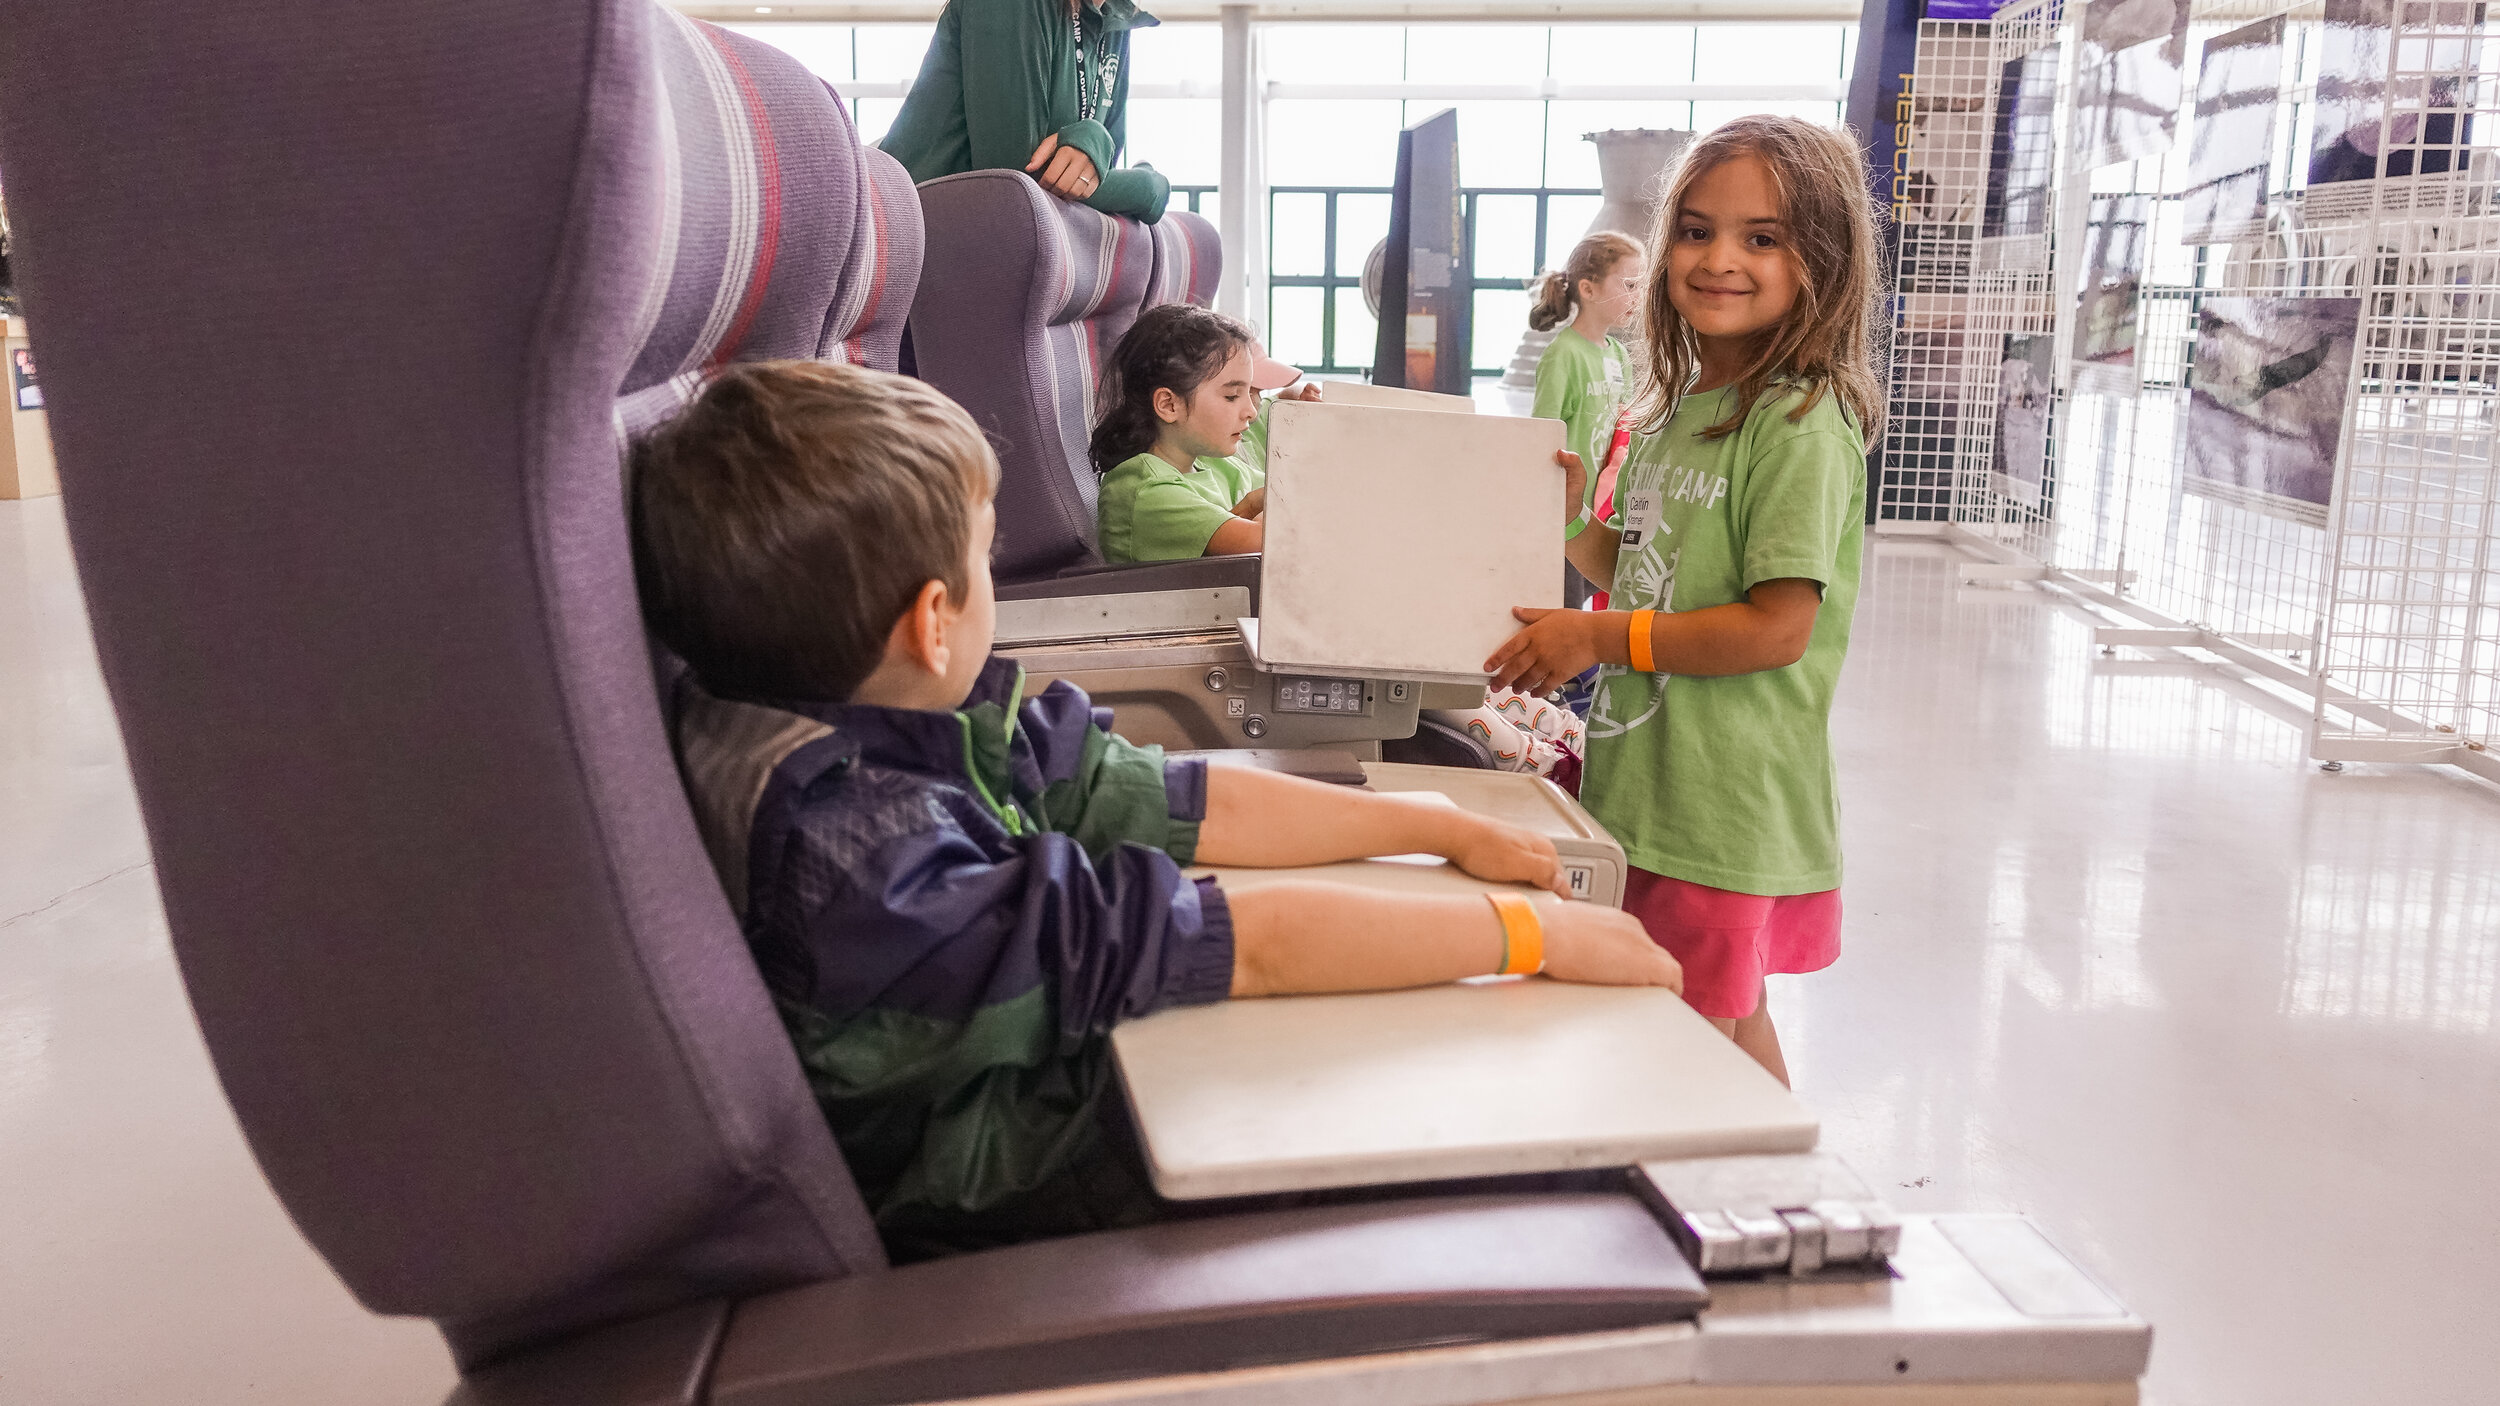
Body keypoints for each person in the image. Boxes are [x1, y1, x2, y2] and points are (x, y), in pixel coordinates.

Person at [630, 359, 1681, 1260]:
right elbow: (1248, 945)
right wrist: (1529, 936)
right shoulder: (873, 864)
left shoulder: (887, 714)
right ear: (933, 622)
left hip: (1044, 1088)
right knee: (1479, 1143)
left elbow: (1169, 798)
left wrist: (1436, 825)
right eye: (984, 558)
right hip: (1014, 1190)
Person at [1483, 116, 1883, 1087]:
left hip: (1722, 807)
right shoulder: (1678, 407)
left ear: (1823, 260)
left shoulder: (1799, 424)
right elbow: (1642, 570)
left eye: (1761, 237)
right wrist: (1570, 521)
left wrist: (1596, 638)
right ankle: (1778, 1170)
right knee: (1716, 1024)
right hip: (1649, 786)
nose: (1718, 259)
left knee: (1689, 1040)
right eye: (1697, 231)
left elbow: (1775, 629)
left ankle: (1743, 1174)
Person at [878, 0, 1171, 224]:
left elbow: (1094, 175)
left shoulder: (1116, 22)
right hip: (912, 238)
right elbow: (1016, 185)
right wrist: (1149, 188)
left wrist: (1091, 140)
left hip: (987, 246)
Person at [1091, 304, 1310, 564]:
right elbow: (1269, 543)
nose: (1251, 412)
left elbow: (1296, 494)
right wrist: (1257, 502)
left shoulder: (1216, 464)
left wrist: (1262, 502)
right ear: (1169, 405)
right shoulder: (1144, 490)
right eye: (1232, 396)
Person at [1528, 230, 1644, 550]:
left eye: (1640, 286)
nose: (1638, 297)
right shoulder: (1562, 354)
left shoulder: (1619, 354)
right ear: (1588, 289)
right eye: (1630, 285)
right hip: (1565, 514)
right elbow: (1540, 438)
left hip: (1603, 511)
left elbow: (1625, 430)